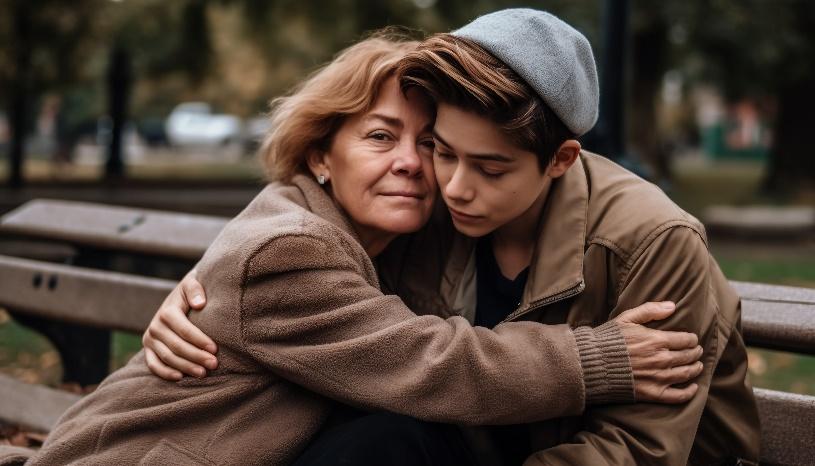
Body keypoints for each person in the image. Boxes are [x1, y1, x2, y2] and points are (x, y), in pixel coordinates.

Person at [0, 32, 702, 466]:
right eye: (378, 136)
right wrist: (598, 356)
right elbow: (428, 360)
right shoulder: (291, 248)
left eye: (429, 144)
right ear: (320, 156)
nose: (413, 163)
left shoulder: (396, 230)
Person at [147, 9, 760, 466]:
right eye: (443, 151)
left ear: (561, 159)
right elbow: (392, 341)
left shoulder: (652, 242)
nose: (455, 185)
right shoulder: (430, 210)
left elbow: (640, 450)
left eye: (491, 168)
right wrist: (208, 292)